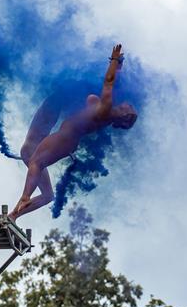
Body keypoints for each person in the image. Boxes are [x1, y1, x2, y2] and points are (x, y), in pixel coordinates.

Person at [10, 44, 137, 220]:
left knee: (36, 163)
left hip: (66, 138)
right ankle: (13, 216)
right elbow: (112, 85)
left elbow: (108, 82)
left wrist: (114, 60)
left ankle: (24, 197)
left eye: (130, 108)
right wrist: (120, 66)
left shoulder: (106, 108)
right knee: (46, 190)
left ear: (124, 116)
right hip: (68, 139)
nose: (128, 104)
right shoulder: (107, 112)